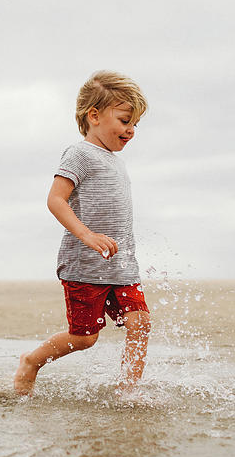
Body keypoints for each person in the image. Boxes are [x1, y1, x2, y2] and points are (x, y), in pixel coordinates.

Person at [14, 71, 152, 396]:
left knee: (140, 324)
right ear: (94, 116)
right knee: (85, 338)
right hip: (85, 268)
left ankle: (128, 393)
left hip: (121, 267)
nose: (131, 130)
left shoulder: (117, 162)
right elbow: (55, 199)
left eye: (135, 124)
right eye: (124, 120)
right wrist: (87, 235)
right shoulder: (80, 154)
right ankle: (31, 362)